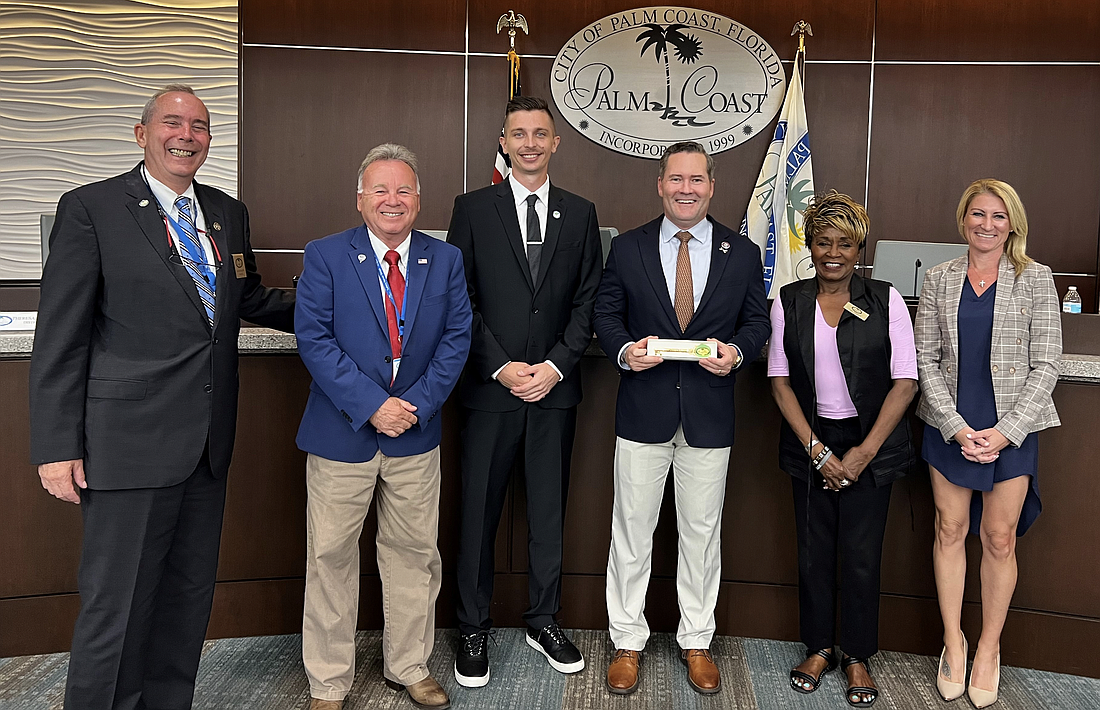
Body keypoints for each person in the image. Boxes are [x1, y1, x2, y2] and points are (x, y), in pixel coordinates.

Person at [29, 84, 295, 709]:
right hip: (127, 447)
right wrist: (54, 445)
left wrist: (345, 300)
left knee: (184, 602)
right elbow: (60, 336)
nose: (187, 135)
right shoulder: (91, 208)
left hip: (207, 446)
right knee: (115, 610)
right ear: (141, 133)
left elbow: (246, 297)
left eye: (199, 126)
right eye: (172, 122)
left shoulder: (227, 213)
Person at [293, 143, 471, 710]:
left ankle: (409, 666)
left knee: (415, 555)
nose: (392, 201)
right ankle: (328, 681)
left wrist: (413, 405)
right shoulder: (325, 255)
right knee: (330, 560)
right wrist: (373, 405)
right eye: (380, 190)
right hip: (341, 433)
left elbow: (456, 339)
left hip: (415, 435)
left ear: (419, 200)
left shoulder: (445, 260)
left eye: (403, 191)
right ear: (360, 198)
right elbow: (314, 338)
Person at [592, 141, 770, 696]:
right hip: (643, 413)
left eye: (696, 179)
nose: (685, 189)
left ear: (712, 186)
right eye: (676, 179)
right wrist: (625, 351)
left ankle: (696, 640)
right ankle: (627, 640)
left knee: (700, 532)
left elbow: (757, 324)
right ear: (660, 184)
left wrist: (736, 354)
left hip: (708, 418)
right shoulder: (628, 247)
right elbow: (606, 312)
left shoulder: (740, 253)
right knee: (632, 531)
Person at [446, 96, 603, 687]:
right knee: (479, 514)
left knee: (547, 514)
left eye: (541, 133)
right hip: (492, 391)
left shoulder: (580, 213)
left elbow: (589, 298)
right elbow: (458, 298)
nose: (531, 143)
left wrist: (557, 365)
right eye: (519, 134)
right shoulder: (473, 207)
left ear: (556, 142)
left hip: (555, 391)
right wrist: (501, 366)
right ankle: (473, 626)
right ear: (504, 142)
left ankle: (544, 619)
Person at [767, 192, 918, 708]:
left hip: (869, 445)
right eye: (823, 242)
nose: (833, 252)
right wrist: (818, 452)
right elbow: (780, 382)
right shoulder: (788, 300)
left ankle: (856, 655)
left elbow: (905, 383)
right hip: (811, 444)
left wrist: (860, 454)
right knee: (812, 555)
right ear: (808, 246)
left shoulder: (886, 298)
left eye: (845, 243)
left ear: (860, 248)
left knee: (860, 556)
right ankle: (818, 648)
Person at [916, 178, 1061, 708]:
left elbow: (1048, 364)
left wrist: (1006, 431)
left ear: (1013, 224)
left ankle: (987, 650)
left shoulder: (1036, 279)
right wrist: (954, 426)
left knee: (1000, 539)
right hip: (950, 424)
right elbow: (924, 360)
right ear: (963, 220)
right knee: (950, 529)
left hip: (1012, 428)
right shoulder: (939, 278)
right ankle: (953, 642)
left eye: (998, 216)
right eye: (978, 214)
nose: (987, 224)